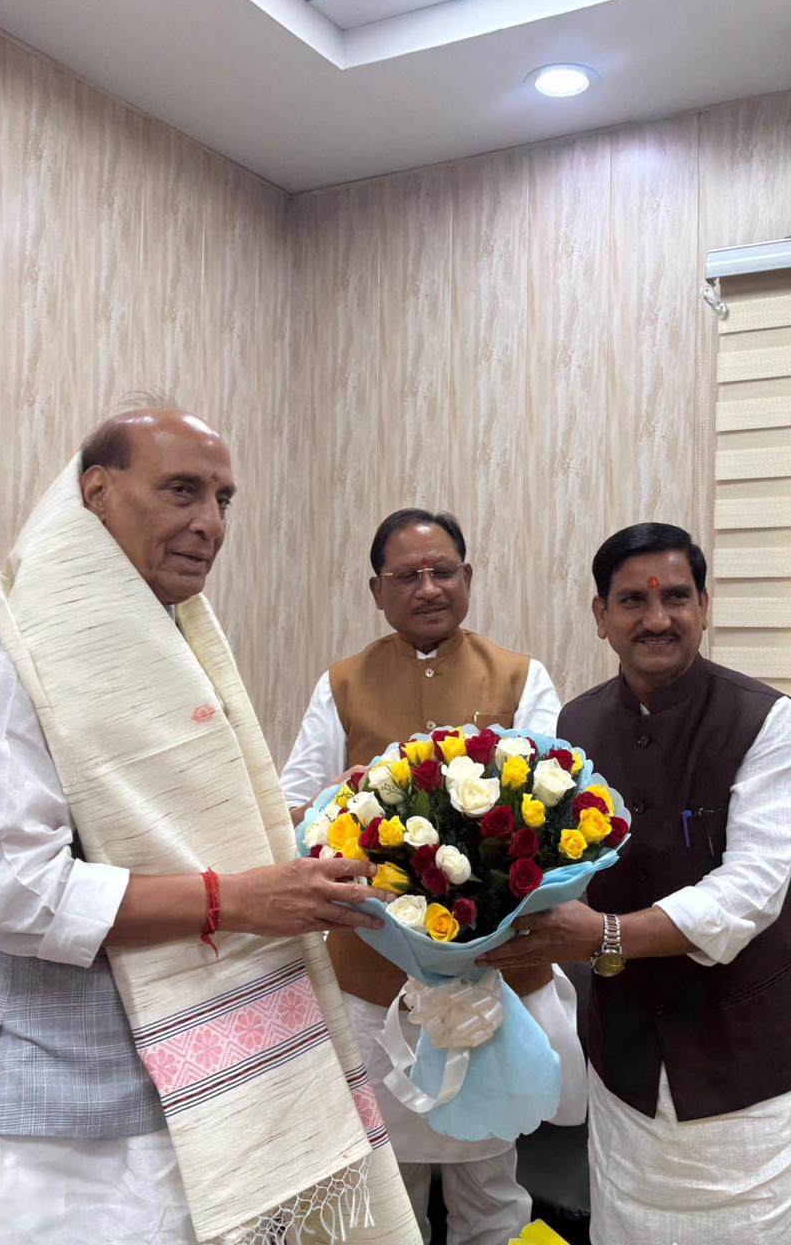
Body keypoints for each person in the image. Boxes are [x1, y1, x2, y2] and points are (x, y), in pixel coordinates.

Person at [0, 410, 420, 1244]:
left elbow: (179, 832)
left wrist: (327, 824)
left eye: (222, 500)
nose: (209, 524)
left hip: (195, 1098)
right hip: (55, 1126)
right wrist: (238, 901)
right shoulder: (15, 661)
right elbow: (10, 893)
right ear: (96, 492)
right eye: (180, 491)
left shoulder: (179, 651)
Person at [481, 521, 791, 1244]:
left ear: (704, 607)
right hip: (628, 1074)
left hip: (752, 1079)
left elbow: (750, 892)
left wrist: (605, 935)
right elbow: (554, 869)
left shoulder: (765, 719)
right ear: (600, 616)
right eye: (632, 601)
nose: (657, 618)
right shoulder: (575, 726)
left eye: (676, 596)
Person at [280, 509, 583, 1245]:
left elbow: (558, 808)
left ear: (467, 578)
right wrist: (337, 806)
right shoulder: (342, 683)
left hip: (494, 965)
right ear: (376, 591)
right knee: (387, 1187)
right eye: (407, 576)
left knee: (492, 1183)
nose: (428, 588)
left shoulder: (520, 676)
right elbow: (292, 807)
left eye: (443, 571)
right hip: (373, 966)